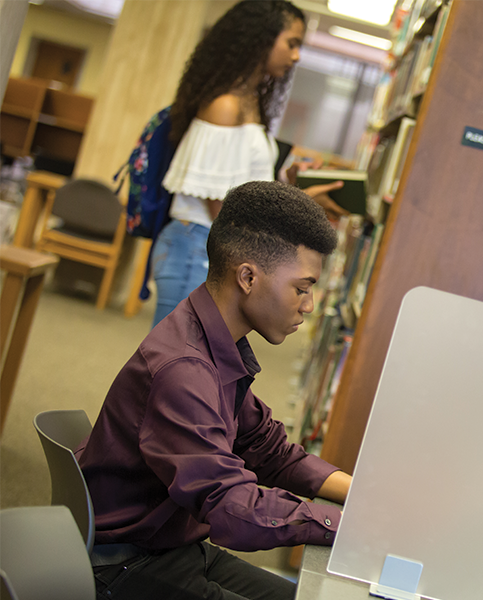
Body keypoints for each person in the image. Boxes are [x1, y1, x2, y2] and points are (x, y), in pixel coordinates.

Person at [77, 181, 352, 600]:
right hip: (126, 566)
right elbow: (232, 508)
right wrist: (344, 526)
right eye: (301, 288)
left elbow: (268, 449)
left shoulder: (213, 340)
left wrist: (359, 498)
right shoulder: (184, 370)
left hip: (171, 545)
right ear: (248, 277)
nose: (309, 305)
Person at [154, 0, 344, 327]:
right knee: (177, 352)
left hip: (212, 249)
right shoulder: (226, 106)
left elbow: (241, 191)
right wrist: (295, 208)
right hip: (198, 249)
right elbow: (223, 209)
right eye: (291, 43)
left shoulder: (249, 103)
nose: (296, 56)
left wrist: (292, 191)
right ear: (261, 38)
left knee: (198, 353)